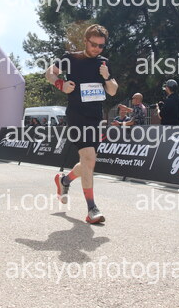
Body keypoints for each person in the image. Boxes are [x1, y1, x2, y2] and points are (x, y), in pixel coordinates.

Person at [45, 24, 118, 224]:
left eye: (101, 46)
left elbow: (112, 90)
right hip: (77, 116)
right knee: (88, 157)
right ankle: (92, 209)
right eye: (93, 44)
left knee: (88, 162)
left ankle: (64, 180)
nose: (97, 49)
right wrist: (60, 84)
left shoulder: (104, 63)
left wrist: (107, 77)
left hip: (95, 118)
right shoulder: (70, 58)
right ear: (86, 41)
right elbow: (49, 73)